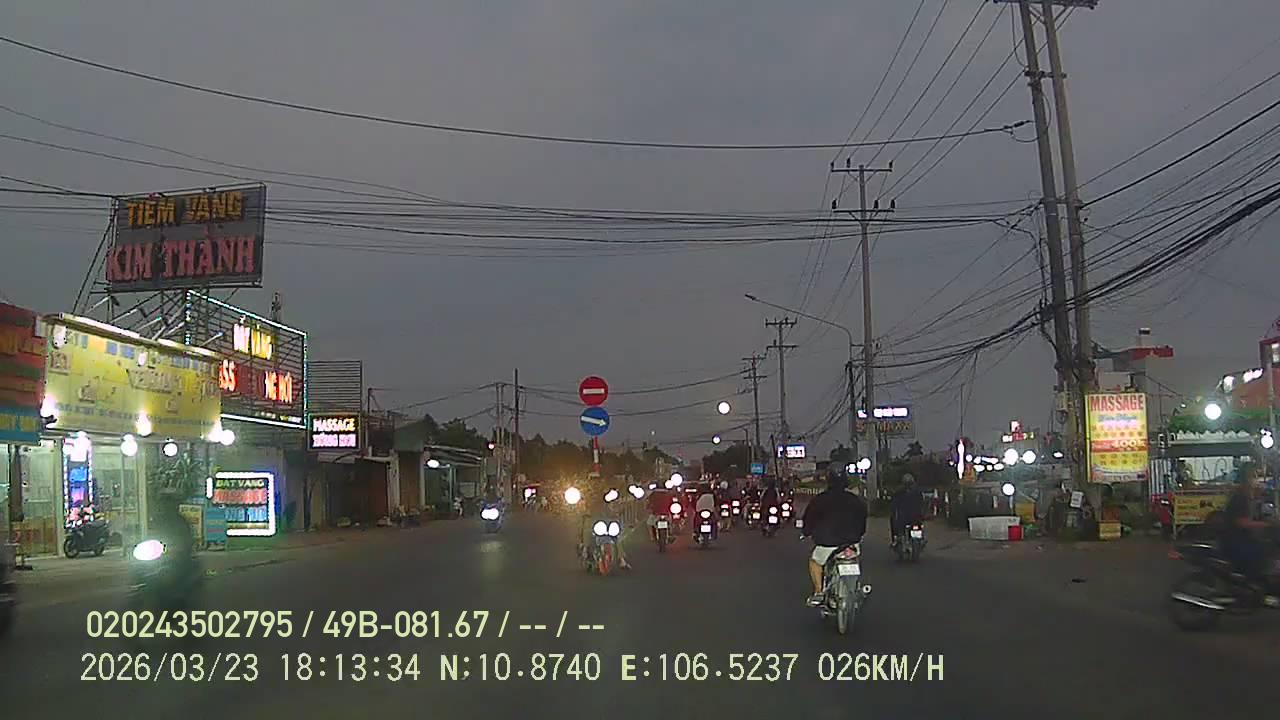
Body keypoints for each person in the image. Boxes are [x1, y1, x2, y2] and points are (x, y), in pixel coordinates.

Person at [800, 470, 868, 607]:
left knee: (815, 562)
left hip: (827, 543)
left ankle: (819, 592)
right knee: (855, 560)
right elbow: (862, 520)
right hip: (851, 543)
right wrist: (858, 535)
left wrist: (806, 532)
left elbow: (809, 519)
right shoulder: (856, 500)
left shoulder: (819, 500)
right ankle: (856, 588)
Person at [1220, 467, 1277, 606]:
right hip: (1234, 541)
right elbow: (1242, 522)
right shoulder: (1240, 497)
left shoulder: (1248, 496)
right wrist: (1265, 525)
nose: (1257, 480)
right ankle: (1249, 590)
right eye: (1254, 476)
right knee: (1261, 555)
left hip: (1240, 538)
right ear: (1246, 479)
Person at [889, 478, 925, 546]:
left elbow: (894, 504)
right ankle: (921, 539)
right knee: (919, 524)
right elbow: (922, 503)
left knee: (895, 524)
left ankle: (896, 539)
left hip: (904, 518)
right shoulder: (917, 491)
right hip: (915, 517)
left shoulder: (899, 492)